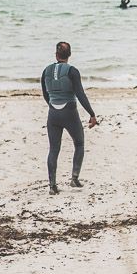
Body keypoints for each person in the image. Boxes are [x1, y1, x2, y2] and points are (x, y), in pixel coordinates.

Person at [41, 41, 98, 194]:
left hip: (53, 113)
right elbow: (80, 94)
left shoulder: (46, 70)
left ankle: (52, 186)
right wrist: (91, 114)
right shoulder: (72, 71)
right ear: (70, 55)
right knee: (79, 143)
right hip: (69, 112)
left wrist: (53, 106)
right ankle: (74, 179)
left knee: (54, 149)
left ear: (56, 54)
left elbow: (45, 94)